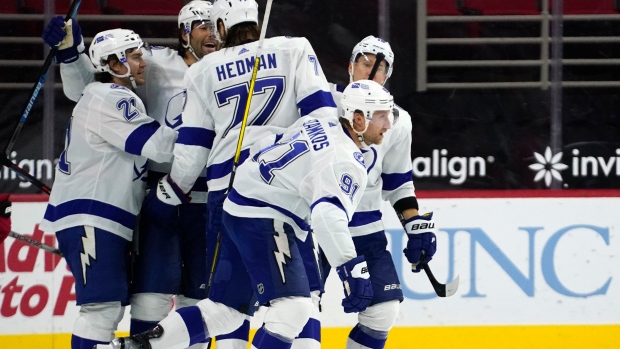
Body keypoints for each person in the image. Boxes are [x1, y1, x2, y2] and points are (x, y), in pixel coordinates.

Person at [101, 79, 394, 349]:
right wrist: (350, 269)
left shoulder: (320, 121)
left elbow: (268, 141)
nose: (388, 123)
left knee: (226, 311)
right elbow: (327, 217)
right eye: (381, 115)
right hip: (265, 217)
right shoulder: (346, 161)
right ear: (358, 118)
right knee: (294, 306)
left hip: (237, 205)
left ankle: (138, 346)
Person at [143, 0, 338, 348]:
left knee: (226, 305)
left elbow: (193, 150)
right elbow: (323, 119)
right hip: (283, 191)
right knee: (302, 297)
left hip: (226, 195)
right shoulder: (295, 48)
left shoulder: (203, 70)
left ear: (220, 28)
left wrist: (171, 191)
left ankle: (142, 344)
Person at [41, 3, 218, 347]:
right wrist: (71, 54)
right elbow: (158, 145)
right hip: (97, 213)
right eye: (134, 57)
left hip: (113, 214)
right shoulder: (114, 95)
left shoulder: (115, 92)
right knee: (102, 311)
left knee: (108, 309)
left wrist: (71, 51)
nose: (143, 63)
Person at [325, 35, 438, 349]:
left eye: (381, 68)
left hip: (365, 229)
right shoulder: (320, 103)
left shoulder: (398, 122)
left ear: (387, 76)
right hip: (312, 227)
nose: (372, 72)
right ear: (350, 66)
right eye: (365, 63)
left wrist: (415, 226)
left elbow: (398, 181)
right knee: (297, 312)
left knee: (383, 311)